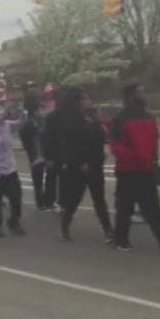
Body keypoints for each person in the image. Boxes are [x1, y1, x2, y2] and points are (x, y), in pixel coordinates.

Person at [110, 83, 160, 253]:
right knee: (125, 206)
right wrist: (136, 157)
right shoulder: (120, 119)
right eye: (140, 92)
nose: (144, 95)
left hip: (146, 168)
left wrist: (154, 159)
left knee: (152, 205)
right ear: (130, 97)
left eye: (143, 91)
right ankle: (121, 239)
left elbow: (153, 141)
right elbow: (116, 147)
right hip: (128, 170)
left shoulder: (149, 117)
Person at [55, 87, 114, 243]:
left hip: (95, 164)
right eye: (85, 99)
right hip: (78, 168)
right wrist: (79, 162)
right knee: (73, 200)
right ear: (77, 102)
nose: (89, 101)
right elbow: (68, 146)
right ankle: (64, 228)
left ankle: (108, 231)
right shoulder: (70, 121)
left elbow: (102, 136)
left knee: (99, 200)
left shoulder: (92, 118)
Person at [0, 100, 27, 238]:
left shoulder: (8, 125)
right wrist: (3, 112)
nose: (2, 113)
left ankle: (13, 222)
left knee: (16, 197)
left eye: (1, 109)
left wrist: (22, 111)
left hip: (10, 169)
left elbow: (21, 123)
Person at [20, 89, 52, 211]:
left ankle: (45, 200)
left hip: (41, 153)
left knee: (43, 178)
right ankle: (41, 202)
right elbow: (27, 137)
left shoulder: (38, 119)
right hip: (36, 154)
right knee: (38, 179)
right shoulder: (29, 122)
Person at [40, 88, 65, 213]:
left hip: (63, 154)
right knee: (51, 178)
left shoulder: (67, 115)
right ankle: (49, 202)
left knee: (62, 178)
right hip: (53, 154)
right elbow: (47, 137)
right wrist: (48, 157)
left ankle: (60, 202)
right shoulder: (52, 117)